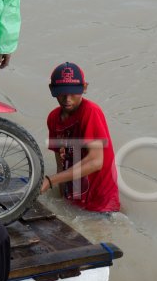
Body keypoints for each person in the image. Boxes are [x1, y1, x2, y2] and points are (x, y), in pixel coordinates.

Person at [39, 62, 120, 213]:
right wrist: (61, 197)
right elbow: (60, 162)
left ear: (85, 88)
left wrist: (51, 181)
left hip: (100, 200)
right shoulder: (53, 118)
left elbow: (96, 162)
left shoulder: (90, 112)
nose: (67, 99)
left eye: (73, 93)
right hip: (74, 193)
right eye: (62, 93)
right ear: (52, 89)